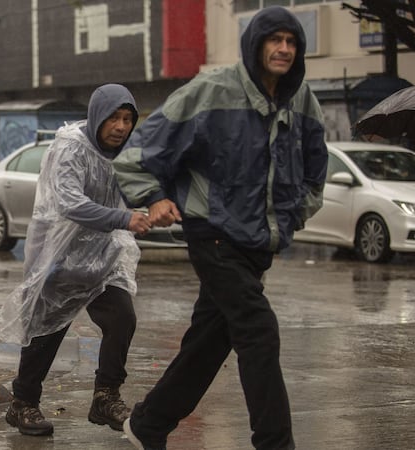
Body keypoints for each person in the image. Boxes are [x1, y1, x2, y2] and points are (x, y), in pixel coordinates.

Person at [112, 7, 328, 450]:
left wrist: (291, 218)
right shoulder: (211, 91)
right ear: (255, 44)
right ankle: (275, 443)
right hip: (212, 234)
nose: (284, 48)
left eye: (292, 41)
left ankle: (149, 424)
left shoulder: (302, 99)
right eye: (275, 40)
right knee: (258, 330)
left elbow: (315, 173)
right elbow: (136, 157)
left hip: (258, 244)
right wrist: (156, 198)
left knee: (209, 343)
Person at [0, 84, 152, 436]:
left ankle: (105, 396)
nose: (121, 126)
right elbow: (69, 201)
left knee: (122, 318)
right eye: (114, 117)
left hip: (102, 257)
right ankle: (23, 404)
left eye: (128, 119)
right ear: (98, 115)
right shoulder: (70, 147)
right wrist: (123, 219)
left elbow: (140, 184)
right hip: (59, 255)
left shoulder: (125, 153)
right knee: (45, 332)